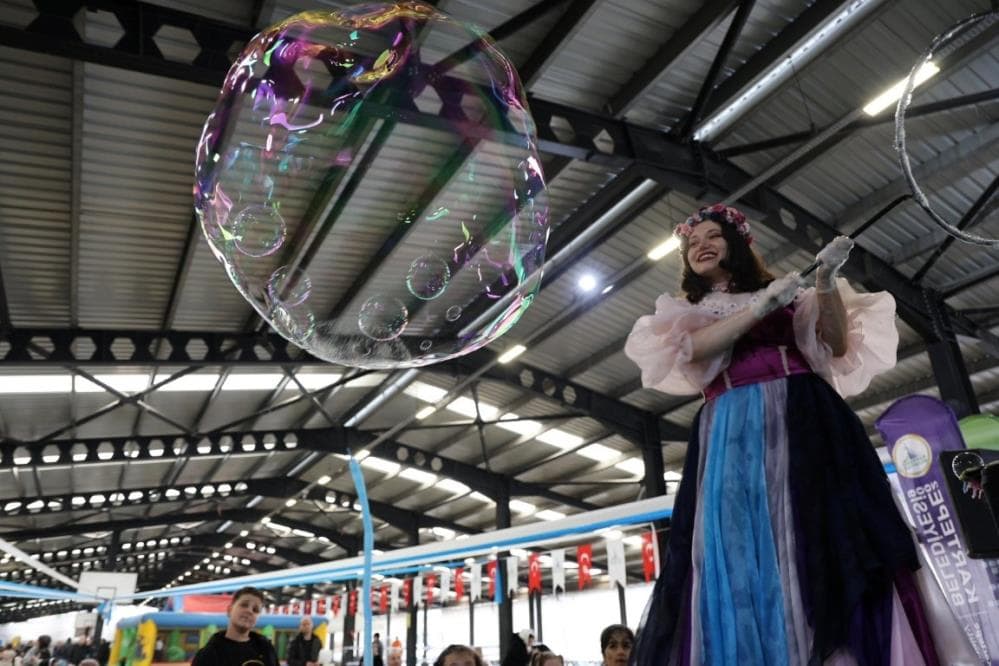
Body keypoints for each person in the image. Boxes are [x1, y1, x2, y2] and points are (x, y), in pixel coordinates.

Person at [625, 204, 937, 665]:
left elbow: (836, 344)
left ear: (738, 243)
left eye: (713, 236)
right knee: (734, 546)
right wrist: (760, 307)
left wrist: (825, 282)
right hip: (731, 431)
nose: (701, 246)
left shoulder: (789, 295)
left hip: (807, 418)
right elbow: (694, 351)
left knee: (826, 530)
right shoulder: (686, 310)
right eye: (692, 243)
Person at [191, 586, 278, 666]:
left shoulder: (266, 649)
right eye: (244, 605)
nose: (249, 611)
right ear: (229, 610)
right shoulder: (208, 655)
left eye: (255, 610)